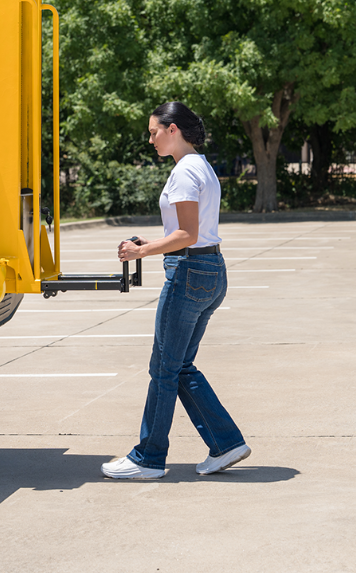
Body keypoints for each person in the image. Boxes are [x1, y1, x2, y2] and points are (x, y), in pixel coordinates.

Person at [101, 101, 250, 479]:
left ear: (173, 130)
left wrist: (141, 250)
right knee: (179, 366)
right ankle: (226, 443)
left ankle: (148, 458)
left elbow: (187, 234)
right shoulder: (201, 166)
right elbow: (190, 233)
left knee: (164, 369)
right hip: (210, 269)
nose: (150, 139)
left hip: (189, 272)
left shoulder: (185, 171)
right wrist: (154, 242)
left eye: (154, 132)